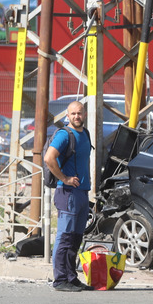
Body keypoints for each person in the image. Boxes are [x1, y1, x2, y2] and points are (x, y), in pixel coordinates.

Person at [46, 101, 93, 292]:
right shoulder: (65, 135)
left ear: (85, 114)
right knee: (64, 237)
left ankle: (71, 277)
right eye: (73, 114)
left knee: (76, 237)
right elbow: (49, 158)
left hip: (82, 192)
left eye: (79, 113)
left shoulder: (85, 134)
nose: (76, 116)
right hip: (68, 193)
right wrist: (64, 178)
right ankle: (60, 279)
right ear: (68, 115)